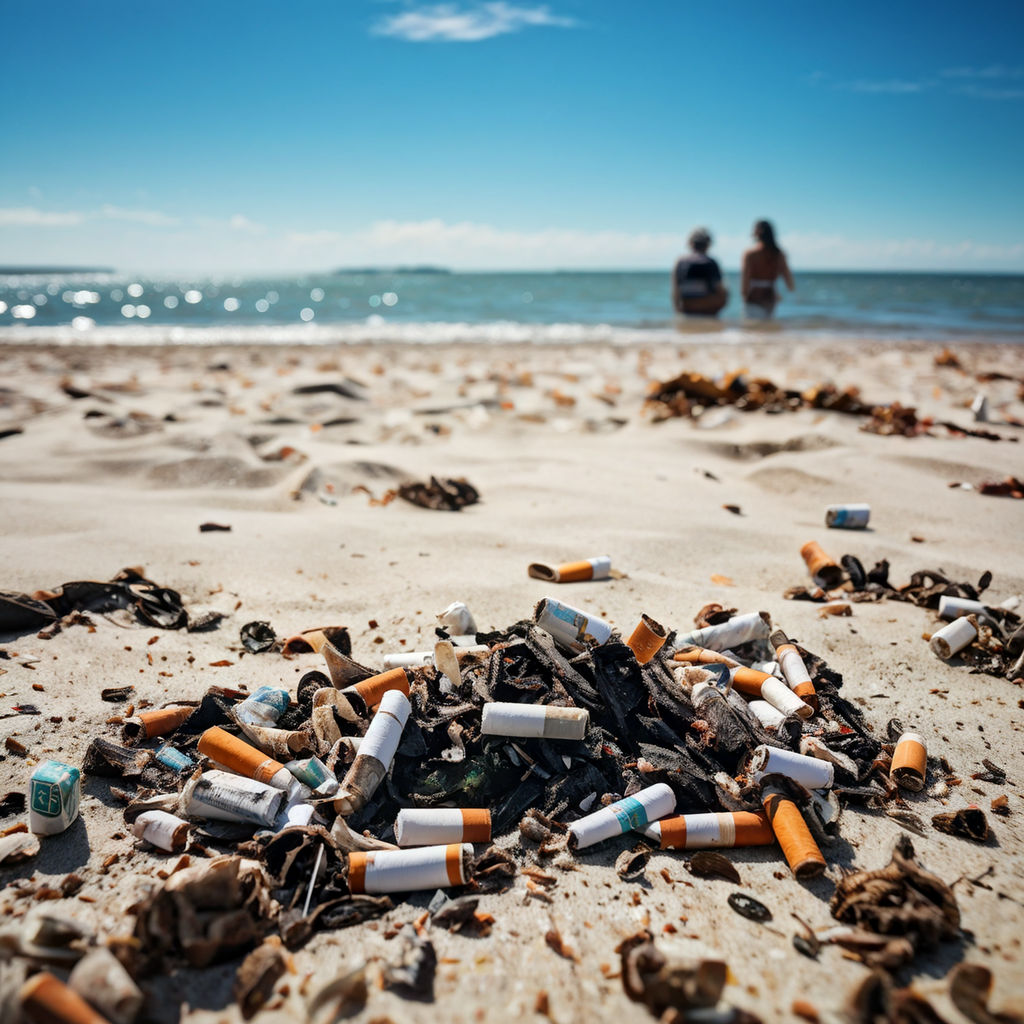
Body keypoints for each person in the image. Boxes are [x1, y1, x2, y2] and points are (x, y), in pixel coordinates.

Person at [741, 219, 794, 319]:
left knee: (753, 329)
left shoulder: (750, 254)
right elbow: (789, 280)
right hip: (770, 295)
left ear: (757, 232)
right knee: (768, 327)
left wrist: (744, 295)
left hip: (754, 295)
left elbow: (745, 280)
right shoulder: (779, 254)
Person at [672, 228, 729, 316]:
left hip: (687, 307)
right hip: (707, 308)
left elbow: (675, 290)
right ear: (708, 245)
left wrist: (678, 310)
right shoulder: (710, 262)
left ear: (691, 244)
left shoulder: (680, 262)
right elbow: (719, 288)